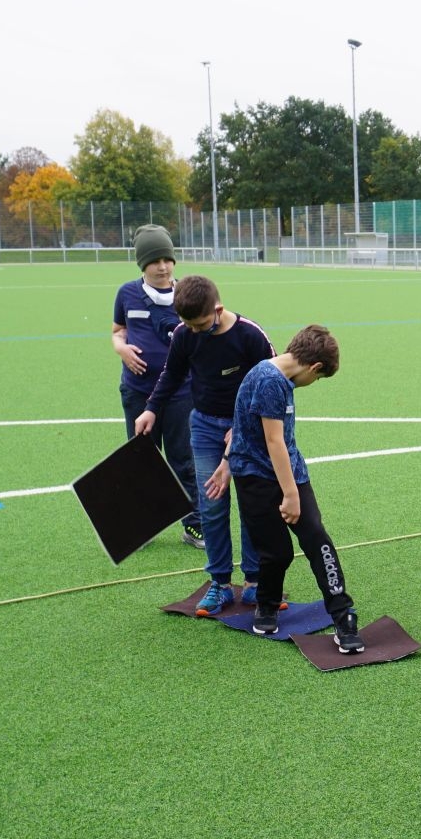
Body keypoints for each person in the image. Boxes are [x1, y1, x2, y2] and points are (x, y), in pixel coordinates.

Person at [135, 274, 272, 615]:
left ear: (218, 309)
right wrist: (151, 408)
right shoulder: (185, 334)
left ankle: (254, 582)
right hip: (205, 427)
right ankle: (220, 583)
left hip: (249, 427)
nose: (194, 331)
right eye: (188, 324)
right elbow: (172, 374)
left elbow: (272, 383)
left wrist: (243, 425)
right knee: (211, 505)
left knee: (252, 505)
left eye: (200, 324)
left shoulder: (250, 336)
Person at [228, 325, 365, 652]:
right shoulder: (269, 380)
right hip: (255, 477)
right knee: (277, 552)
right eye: (318, 378)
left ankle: (343, 614)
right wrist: (290, 495)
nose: (312, 383)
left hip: (291, 470)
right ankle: (267, 605)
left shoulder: (282, 377)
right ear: (314, 367)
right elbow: (273, 441)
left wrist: (294, 486)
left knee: (317, 538)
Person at [113, 225, 202, 548]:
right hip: (138, 391)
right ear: (142, 263)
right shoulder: (127, 293)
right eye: (155, 261)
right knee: (141, 460)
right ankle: (142, 526)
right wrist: (121, 349)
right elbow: (118, 330)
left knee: (184, 460)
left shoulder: (188, 294)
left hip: (181, 394)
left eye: (167, 259)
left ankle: (195, 525)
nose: (163, 267)